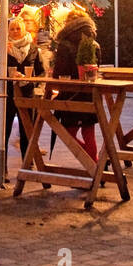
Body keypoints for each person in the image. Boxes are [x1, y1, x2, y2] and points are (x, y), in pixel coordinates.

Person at [51, 9, 102, 162]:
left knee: (68, 133)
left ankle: (94, 165)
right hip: (90, 93)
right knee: (89, 133)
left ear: (69, 24)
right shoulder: (94, 43)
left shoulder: (65, 44)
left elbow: (59, 72)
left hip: (70, 94)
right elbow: (96, 67)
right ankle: (96, 166)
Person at [3, 18, 41, 164]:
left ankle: (27, 161)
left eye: (18, 28)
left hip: (27, 92)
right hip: (9, 93)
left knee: (26, 129)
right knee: (5, 131)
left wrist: (29, 79)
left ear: (24, 30)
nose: (15, 32)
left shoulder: (32, 48)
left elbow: (40, 71)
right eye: (12, 29)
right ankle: (2, 166)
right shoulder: (5, 47)